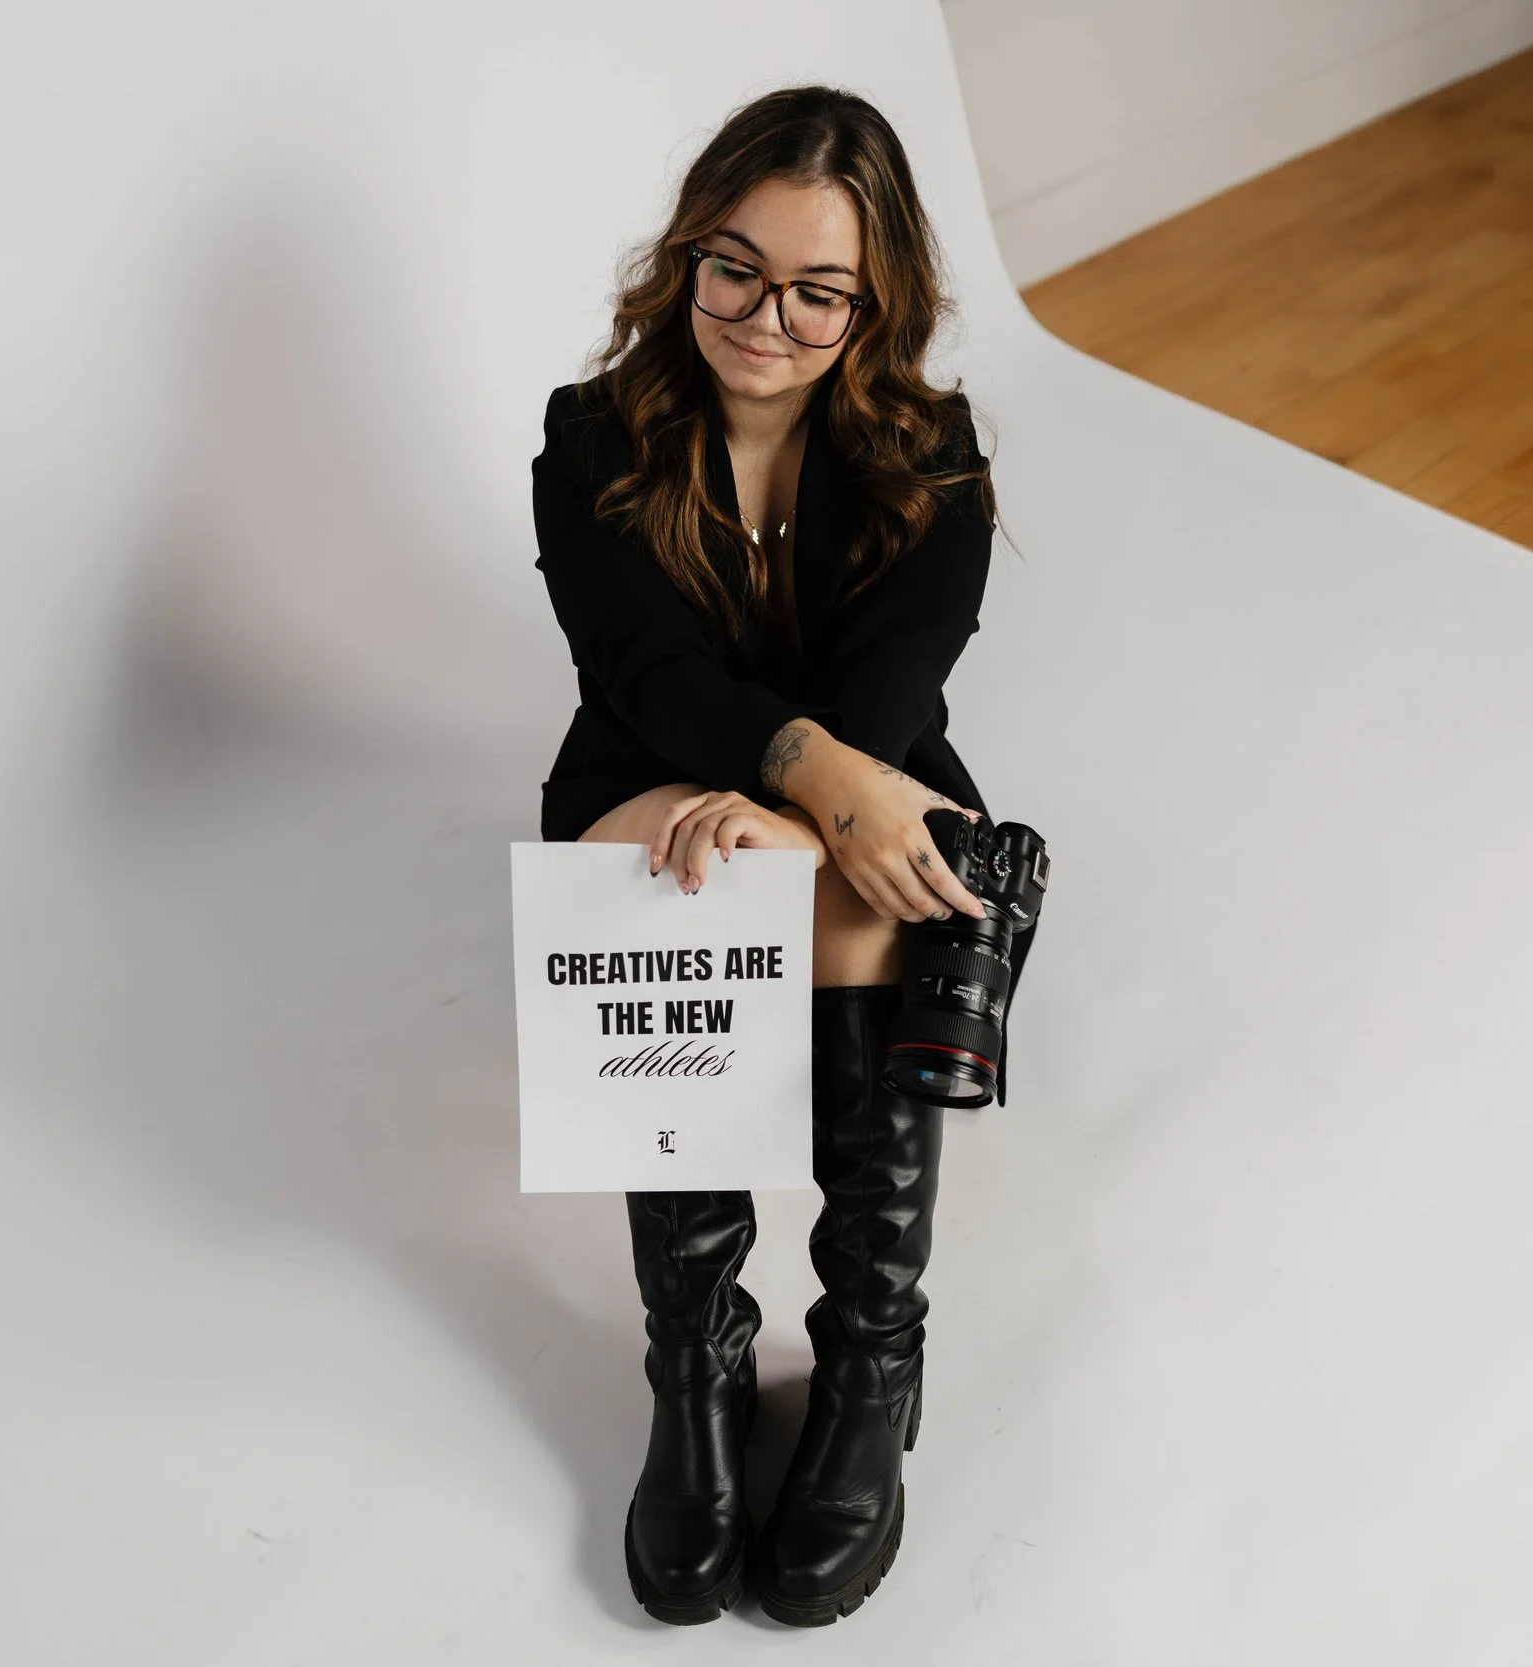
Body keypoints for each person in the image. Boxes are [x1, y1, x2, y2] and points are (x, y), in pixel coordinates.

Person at [530, 84, 1001, 1628]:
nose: (766, 316)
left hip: (861, 769)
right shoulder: (590, 433)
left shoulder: (934, 453)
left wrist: (806, 809)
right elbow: (646, 674)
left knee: (861, 906)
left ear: (878, 302)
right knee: (658, 890)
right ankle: (699, 1361)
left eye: (818, 289)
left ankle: (871, 1358)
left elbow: (898, 688)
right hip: (662, 768)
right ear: (688, 255)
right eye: (735, 267)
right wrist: (780, 789)